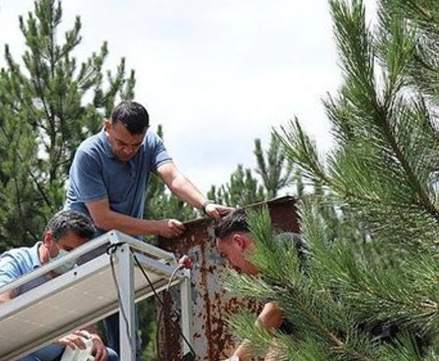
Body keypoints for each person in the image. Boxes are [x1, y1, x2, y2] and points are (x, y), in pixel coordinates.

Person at [64, 101, 232, 357]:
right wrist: (157, 227)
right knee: (90, 341)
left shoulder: (150, 144)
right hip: (86, 250)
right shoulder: (88, 154)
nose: (129, 151)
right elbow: (102, 218)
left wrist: (205, 204)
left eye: (135, 145)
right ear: (107, 127)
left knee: (128, 341)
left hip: (122, 250)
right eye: (122, 143)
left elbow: (173, 177)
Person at [0, 210, 118, 361]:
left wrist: (92, 336)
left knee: (108, 357)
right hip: (10, 349)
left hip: (57, 354)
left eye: (79, 253)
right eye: (68, 249)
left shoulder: (74, 274)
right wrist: (49, 335)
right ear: (48, 239)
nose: (72, 258)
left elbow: (82, 318)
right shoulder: (15, 261)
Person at [214, 208, 307, 361]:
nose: (229, 265)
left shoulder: (281, 246)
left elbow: (275, 311)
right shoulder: (267, 277)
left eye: (226, 255)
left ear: (239, 242)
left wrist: (236, 358)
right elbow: (284, 339)